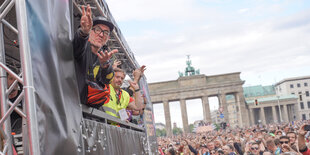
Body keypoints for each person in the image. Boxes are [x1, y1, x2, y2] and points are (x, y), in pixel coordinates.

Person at [73, 5, 117, 104]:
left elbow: (107, 80)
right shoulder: (81, 47)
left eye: (106, 32)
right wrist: (84, 32)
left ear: (108, 38)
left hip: (89, 111)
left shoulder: (105, 57)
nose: (101, 35)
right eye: (97, 29)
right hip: (71, 105)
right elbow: (77, 44)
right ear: (90, 30)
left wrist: (105, 65)